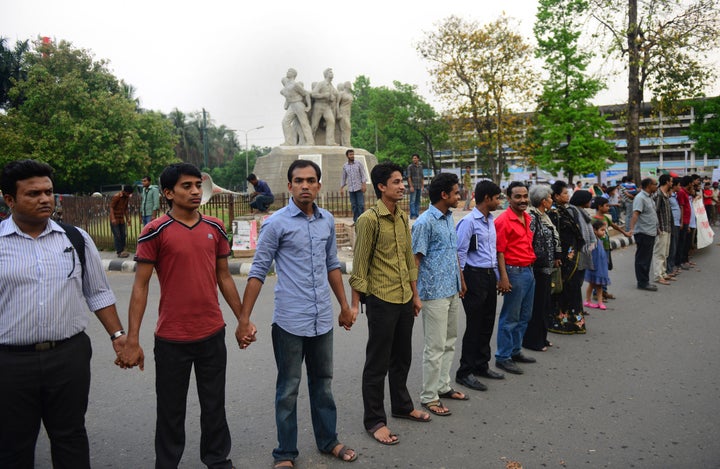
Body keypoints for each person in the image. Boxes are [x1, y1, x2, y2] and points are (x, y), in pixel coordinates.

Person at [121, 162, 251, 469]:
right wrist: (132, 339)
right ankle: (167, 463)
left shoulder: (215, 227)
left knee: (214, 404)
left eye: (197, 185)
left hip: (211, 333)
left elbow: (225, 277)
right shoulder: (155, 231)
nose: (195, 191)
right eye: (186, 186)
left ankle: (218, 459)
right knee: (170, 409)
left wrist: (242, 319)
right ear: (168, 193)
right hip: (171, 338)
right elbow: (140, 287)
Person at [0, 159, 128, 469]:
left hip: (68, 356)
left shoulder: (75, 239)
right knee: (14, 443)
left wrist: (119, 337)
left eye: (49, 192)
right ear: (9, 200)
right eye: (33, 194)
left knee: (70, 435)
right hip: (10, 362)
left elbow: (97, 292)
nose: (45, 199)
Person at [240, 159, 357, 467]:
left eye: (310, 180)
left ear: (319, 185)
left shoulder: (327, 220)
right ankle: (285, 453)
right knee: (288, 389)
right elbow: (259, 269)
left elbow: (332, 264)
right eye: (298, 180)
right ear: (289, 186)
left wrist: (344, 307)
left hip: (322, 320)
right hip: (290, 321)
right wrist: (243, 318)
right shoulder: (276, 223)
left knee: (323, 384)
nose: (305, 185)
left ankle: (328, 440)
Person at [349, 162, 429, 446]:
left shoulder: (402, 217)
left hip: (405, 299)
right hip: (381, 300)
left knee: (402, 357)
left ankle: (402, 406)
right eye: (396, 182)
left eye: (402, 182)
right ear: (381, 187)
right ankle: (375, 420)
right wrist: (354, 305)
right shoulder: (368, 219)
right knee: (377, 363)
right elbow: (360, 265)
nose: (402, 186)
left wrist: (415, 295)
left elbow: (409, 260)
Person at [412, 173, 467, 417]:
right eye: (456, 192)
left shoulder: (448, 219)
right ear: (444, 195)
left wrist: (461, 280)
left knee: (450, 340)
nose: (459, 196)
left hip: (451, 289)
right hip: (433, 292)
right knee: (434, 347)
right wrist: (415, 295)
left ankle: (443, 386)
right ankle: (429, 396)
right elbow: (415, 260)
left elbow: (453, 252)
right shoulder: (425, 222)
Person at [455, 181, 506, 391]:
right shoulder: (469, 222)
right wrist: (463, 281)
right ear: (487, 199)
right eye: (497, 198)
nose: (499, 201)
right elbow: (460, 253)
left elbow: (491, 252)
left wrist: (497, 276)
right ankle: (465, 371)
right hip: (473, 276)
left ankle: (481, 365)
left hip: (488, 276)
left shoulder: (490, 221)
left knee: (486, 324)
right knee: (474, 325)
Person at [494, 182, 537, 375]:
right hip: (514, 272)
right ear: (509, 198)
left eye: (525, 196)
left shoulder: (527, 218)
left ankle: (515, 350)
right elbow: (499, 252)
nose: (523, 200)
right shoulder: (503, 221)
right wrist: (503, 277)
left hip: (528, 271)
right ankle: (503, 357)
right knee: (510, 317)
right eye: (518, 197)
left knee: (524, 316)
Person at [523, 184, 560, 352]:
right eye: (550, 198)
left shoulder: (545, 216)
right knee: (537, 305)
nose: (552, 200)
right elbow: (529, 241)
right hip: (537, 267)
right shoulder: (532, 217)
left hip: (547, 266)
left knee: (545, 304)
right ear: (543, 201)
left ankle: (542, 337)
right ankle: (533, 340)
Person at [547, 181, 587, 335]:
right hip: (563, 260)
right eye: (564, 193)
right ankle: (561, 322)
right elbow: (555, 238)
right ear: (556, 196)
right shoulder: (554, 213)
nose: (568, 195)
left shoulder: (565, 211)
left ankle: (576, 322)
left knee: (573, 290)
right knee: (564, 291)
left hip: (572, 258)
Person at [591, 197, 629, 302]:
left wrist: (625, 233)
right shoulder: (593, 219)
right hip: (598, 248)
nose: (608, 207)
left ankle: (604, 291)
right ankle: (596, 293)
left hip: (607, 247)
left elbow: (614, 226)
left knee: (605, 270)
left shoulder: (606, 218)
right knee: (599, 270)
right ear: (599, 207)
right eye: (606, 205)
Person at [628, 178, 659, 291]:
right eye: (655, 184)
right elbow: (635, 214)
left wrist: (657, 228)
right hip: (643, 232)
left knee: (647, 258)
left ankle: (645, 280)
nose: (657, 186)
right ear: (649, 185)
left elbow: (651, 214)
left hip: (650, 231)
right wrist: (631, 229)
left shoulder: (649, 197)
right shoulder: (640, 198)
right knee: (642, 259)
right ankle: (642, 282)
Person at [280, 68, 314, 146]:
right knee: (285, 122)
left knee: (304, 123)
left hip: (298, 104)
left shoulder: (296, 85)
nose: (287, 72)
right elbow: (286, 92)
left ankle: (310, 142)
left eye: (289, 71)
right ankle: (289, 142)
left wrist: (309, 106)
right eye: (287, 71)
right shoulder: (286, 84)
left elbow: (306, 94)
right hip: (291, 106)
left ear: (293, 74)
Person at [583, 219, 611, 310]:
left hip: (601, 267)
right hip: (594, 267)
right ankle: (587, 300)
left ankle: (600, 302)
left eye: (604, 230)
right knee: (592, 285)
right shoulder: (593, 241)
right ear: (594, 230)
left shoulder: (599, 240)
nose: (604, 232)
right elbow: (588, 252)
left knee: (599, 286)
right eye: (602, 230)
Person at [651, 174, 673, 285]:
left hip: (667, 227)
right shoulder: (658, 195)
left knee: (665, 253)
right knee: (659, 253)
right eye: (671, 181)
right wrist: (657, 228)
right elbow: (655, 212)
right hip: (661, 228)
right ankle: (658, 276)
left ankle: (663, 273)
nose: (672, 183)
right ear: (667, 182)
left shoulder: (666, 195)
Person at [310, 68, 338, 146]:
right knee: (314, 125)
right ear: (326, 74)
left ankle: (330, 142)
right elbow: (313, 94)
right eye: (330, 72)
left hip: (327, 106)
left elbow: (335, 94)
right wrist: (323, 95)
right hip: (319, 105)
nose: (332, 74)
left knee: (331, 121)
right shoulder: (321, 83)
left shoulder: (331, 86)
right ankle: (310, 141)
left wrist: (332, 97)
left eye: (332, 72)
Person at [340, 149, 367, 222]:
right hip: (351, 189)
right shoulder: (345, 166)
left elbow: (363, 174)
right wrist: (341, 188)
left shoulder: (358, 164)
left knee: (360, 205)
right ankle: (356, 220)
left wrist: (364, 185)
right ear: (347, 156)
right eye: (350, 155)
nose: (352, 156)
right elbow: (343, 177)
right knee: (354, 206)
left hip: (359, 188)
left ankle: (362, 220)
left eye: (353, 154)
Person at [110, 184, 133, 257]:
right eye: (128, 193)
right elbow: (111, 208)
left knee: (123, 235)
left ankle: (122, 250)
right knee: (117, 235)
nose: (128, 195)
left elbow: (125, 209)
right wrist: (113, 218)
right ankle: (119, 252)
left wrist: (128, 218)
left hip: (121, 218)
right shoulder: (117, 196)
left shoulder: (126, 198)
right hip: (115, 218)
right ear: (125, 192)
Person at [406, 154, 424, 219]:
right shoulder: (410, 167)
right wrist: (411, 186)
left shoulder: (420, 167)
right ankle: (413, 215)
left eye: (415, 158)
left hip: (419, 186)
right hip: (413, 186)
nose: (414, 159)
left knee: (418, 201)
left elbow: (422, 177)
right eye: (413, 158)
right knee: (412, 201)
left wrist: (422, 186)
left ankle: (417, 214)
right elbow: (409, 177)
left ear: (418, 159)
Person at [336, 81, 353, 147]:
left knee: (348, 128)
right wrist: (338, 113)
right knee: (345, 127)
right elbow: (337, 103)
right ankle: (345, 143)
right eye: (348, 83)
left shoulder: (351, 95)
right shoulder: (341, 93)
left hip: (348, 112)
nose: (350, 85)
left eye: (350, 83)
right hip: (342, 111)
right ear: (345, 85)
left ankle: (347, 143)